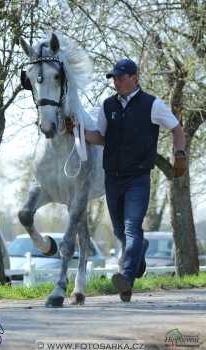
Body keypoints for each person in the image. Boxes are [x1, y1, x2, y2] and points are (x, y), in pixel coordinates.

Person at [66, 58, 187, 302]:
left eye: (121, 78)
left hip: (138, 178)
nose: (116, 82)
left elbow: (176, 129)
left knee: (132, 229)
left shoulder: (152, 104)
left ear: (134, 78)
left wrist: (180, 154)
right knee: (122, 232)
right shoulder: (107, 105)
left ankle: (126, 277)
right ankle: (139, 252)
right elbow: (100, 136)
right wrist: (76, 131)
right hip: (113, 178)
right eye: (114, 78)